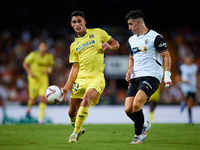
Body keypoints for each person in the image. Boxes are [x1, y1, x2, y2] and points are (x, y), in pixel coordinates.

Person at [62, 11, 119, 143]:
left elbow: (116, 44)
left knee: (86, 99)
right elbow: (75, 67)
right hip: (80, 79)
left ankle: (74, 134)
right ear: (71, 25)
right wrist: (66, 88)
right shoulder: (73, 45)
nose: (77, 24)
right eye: (74, 22)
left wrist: (110, 46)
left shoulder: (98, 32)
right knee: (71, 112)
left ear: (84, 22)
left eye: (79, 21)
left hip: (96, 77)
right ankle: (78, 127)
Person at [124, 10, 173, 144]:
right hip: (136, 76)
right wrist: (129, 69)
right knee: (128, 109)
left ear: (138, 22)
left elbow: (166, 56)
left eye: (130, 24)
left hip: (152, 75)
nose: (129, 27)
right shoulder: (131, 40)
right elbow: (131, 57)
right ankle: (144, 123)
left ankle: (138, 135)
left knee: (137, 104)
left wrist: (167, 76)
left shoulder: (156, 37)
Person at [23, 41, 54, 124]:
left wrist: (49, 70)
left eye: (45, 46)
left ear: (47, 48)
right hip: (34, 80)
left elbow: (51, 65)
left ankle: (40, 120)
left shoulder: (49, 56)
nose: (43, 48)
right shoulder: (33, 55)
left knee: (43, 99)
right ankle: (28, 109)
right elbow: (25, 63)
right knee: (32, 100)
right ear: (39, 47)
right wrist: (29, 72)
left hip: (43, 79)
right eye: (42, 46)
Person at [178, 53, 198, 123]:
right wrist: (184, 81)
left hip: (193, 87)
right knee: (190, 102)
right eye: (187, 58)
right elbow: (177, 78)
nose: (188, 60)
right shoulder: (182, 67)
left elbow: (197, 76)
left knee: (194, 103)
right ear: (184, 59)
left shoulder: (195, 67)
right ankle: (190, 119)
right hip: (185, 88)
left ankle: (184, 103)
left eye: (189, 58)